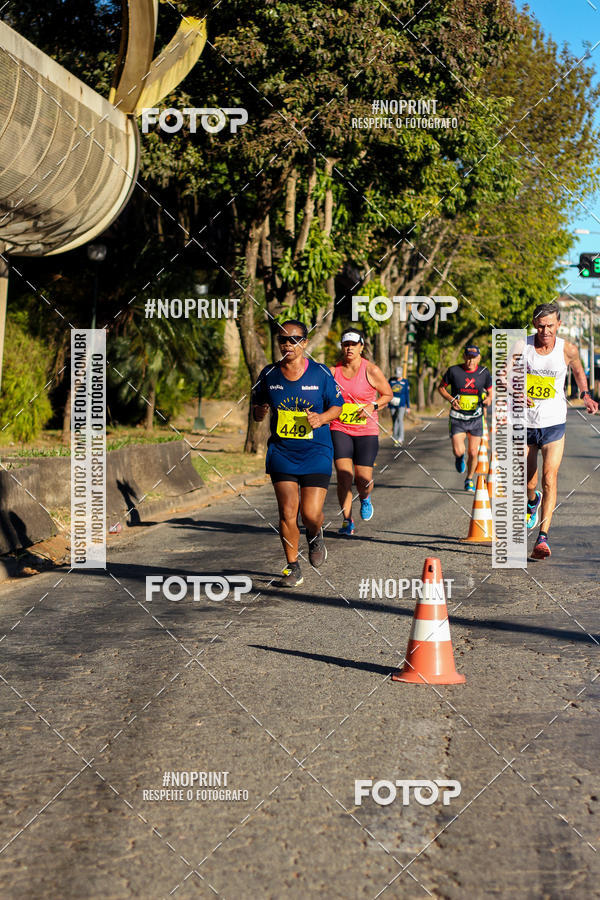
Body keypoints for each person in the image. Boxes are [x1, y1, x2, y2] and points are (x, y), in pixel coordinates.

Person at [252, 320, 343, 586]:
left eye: (293, 339)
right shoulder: (269, 374)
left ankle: (315, 536)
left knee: (311, 514)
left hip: (316, 450)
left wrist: (322, 418)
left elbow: (337, 406)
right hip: (282, 452)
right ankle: (292, 567)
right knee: (287, 512)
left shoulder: (320, 373)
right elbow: (258, 406)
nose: (287, 344)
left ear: (304, 343)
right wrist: (259, 412)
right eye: (282, 339)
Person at [526, 301, 598, 559]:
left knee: (549, 477)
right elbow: (503, 376)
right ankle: (531, 501)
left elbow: (578, 371)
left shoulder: (568, 348)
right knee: (530, 481)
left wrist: (586, 394)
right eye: (541, 326)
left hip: (554, 421)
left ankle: (543, 538)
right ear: (535, 324)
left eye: (551, 326)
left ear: (559, 324)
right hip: (526, 423)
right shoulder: (521, 347)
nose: (546, 331)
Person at [329, 329, 393, 535]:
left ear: (361, 347)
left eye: (353, 344)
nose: (349, 348)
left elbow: (388, 394)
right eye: (346, 344)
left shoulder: (371, 370)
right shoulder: (332, 372)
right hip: (340, 427)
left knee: (362, 480)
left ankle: (365, 497)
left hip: (366, 430)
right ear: (342, 346)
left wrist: (372, 406)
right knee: (344, 477)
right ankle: (347, 521)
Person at [438, 346, 493, 492]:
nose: (470, 360)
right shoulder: (453, 371)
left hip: (476, 418)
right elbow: (441, 388)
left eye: (473, 357)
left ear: (479, 358)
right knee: (458, 450)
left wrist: (489, 399)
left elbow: (491, 391)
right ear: (464, 357)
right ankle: (458, 458)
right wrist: (450, 399)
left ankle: (469, 479)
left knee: (474, 452)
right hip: (457, 417)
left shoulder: (484, 373)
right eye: (468, 357)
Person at [388, 366, 410, 445]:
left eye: (399, 375)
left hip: (402, 404)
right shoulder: (391, 381)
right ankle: (395, 437)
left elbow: (407, 394)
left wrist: (408, 406)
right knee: (394, 420)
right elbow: (387, 392)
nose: (398, 377)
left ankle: (401, 438)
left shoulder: (405, 382)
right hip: (392, 404)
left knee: (400, 419)